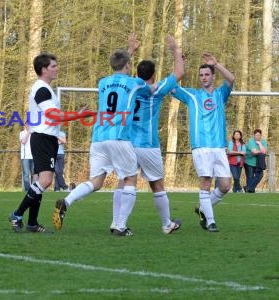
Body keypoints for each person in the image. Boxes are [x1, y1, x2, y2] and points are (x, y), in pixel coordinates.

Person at [53, 34, 153, 236]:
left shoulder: (102, 83)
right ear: (128, 65)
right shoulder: (136, 83)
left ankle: (67, 201)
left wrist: (129, 51)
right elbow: (150, 89)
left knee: (96, 181)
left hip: (99, 137)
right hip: (119, 137)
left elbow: (119, 69)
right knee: (130, 180)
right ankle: (120, 226)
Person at [111, 35, 184, 234]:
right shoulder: (157, 89)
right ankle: (166, 224)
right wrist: (175, 49)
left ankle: (116, 222)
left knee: (124, 182)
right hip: (147, 144)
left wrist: (130, 49)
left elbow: (120, 70)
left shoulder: (129, 85)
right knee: (157, 184)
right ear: (153, 75)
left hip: (127, 143)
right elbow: (179, 72)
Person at [8, 53, 89, 233]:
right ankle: (17, 214)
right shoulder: (42, 89)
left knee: (38, 181)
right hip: (43, 138)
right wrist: (78, 115)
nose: (56, 68)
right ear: (43, 69)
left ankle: (32, 223)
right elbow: (53, 115)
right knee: (45, 181)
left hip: (48, 138)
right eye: (53, 66)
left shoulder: (46, 89)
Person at [170, 53, 234, 232]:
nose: (204, 78)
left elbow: (231, 78)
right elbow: (171, 86)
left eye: (207, 74)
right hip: (201, 145)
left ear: (213, 76)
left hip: (219, 146)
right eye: (201, 75)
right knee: (205, 182)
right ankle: (210, 221)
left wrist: (216, 63)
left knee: (225, 185)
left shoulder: (221, 93)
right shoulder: (192, 95)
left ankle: (202, 208)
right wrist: (180, 62)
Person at [244, 129, 268, 193]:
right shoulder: (251, 141)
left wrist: (260, 144)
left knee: (260, 175)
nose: (257, 136)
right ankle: (250, 191)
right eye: (256, 135)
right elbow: (254, 152)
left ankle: (248, 188)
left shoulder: (263, 142)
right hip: (249, 162)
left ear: (261, 135)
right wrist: (261, 151)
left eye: (259, 135)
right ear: (254, 135)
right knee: (250, 177)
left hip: (259, 163)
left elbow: (265, 152)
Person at [19, 124, 35, 192]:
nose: (28, 126)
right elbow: (23, 141)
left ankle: (34, 189)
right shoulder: (22, 133)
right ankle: (27, 189)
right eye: (27, 125)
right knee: (26, 174)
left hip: (33, 156)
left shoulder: (34, 133)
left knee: (34, 173)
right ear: (25, 125)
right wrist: (28, 133)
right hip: (25, 157)